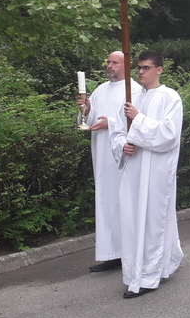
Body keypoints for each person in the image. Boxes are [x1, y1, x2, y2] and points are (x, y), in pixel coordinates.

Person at [109, 50, 184, 298]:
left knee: (153, 221)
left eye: (146, 68)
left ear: (159, 69)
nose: (141, 72)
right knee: (132, 220)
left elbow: (168, 135)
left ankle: (149, 277)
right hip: (134, 171)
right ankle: (134, 273)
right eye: (139, 68)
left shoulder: (170, 98)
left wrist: (138, 120)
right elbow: (118, 132)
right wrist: (124, 145)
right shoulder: (132, 98)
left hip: (157, 171)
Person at [78, 51, 127, 273]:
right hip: (101, 155)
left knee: (123, 202)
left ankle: (128, 251)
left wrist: (113, 123)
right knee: (105, 202)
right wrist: (86, 110)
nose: (110, 66)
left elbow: (139, 120)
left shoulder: (133, 90)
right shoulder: (99, 90)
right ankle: (110, 254)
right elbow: (89, 120)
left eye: (114, 62)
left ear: (126, 65)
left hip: (122, 159)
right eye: (108, 62)